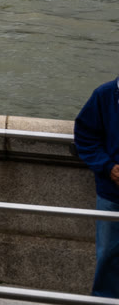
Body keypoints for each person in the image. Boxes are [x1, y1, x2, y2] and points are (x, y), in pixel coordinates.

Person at [75, 75, 119, 297]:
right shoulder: (104, 95)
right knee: (108, 257)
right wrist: (109, 167)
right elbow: (85, 136)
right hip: (113, 193)